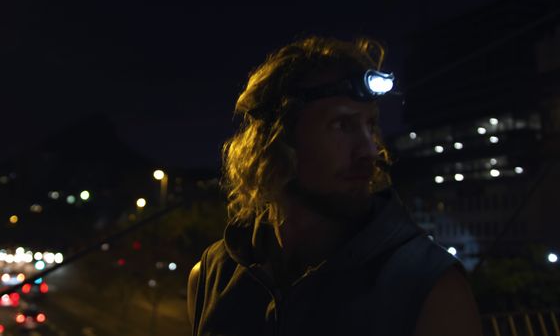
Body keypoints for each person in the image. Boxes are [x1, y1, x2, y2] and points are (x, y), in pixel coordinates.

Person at [187, 36, 483, 336]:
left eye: (370, 125)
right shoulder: (212, 275)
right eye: (342, 125)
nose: (369, 150)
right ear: (276, 141)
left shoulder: (430, 287)